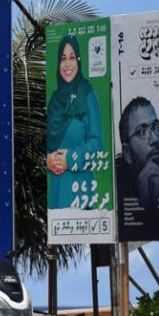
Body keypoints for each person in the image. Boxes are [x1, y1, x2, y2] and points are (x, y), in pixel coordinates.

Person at [46, 35, 104, 209]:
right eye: (63, 59)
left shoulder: (88, 94)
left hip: (81, 194)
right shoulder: (54, 101)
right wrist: (48, 160)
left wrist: (69, 159)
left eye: (72, 57)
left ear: (79, 60)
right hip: (57, 195)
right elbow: (46, 146)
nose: (68, 64)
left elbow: (97, 144)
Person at [116, 97, 159, 210]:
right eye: (142, 132)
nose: (155, 139)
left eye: (156, 127)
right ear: (127, 153)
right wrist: (143, 206)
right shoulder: (116, 187)